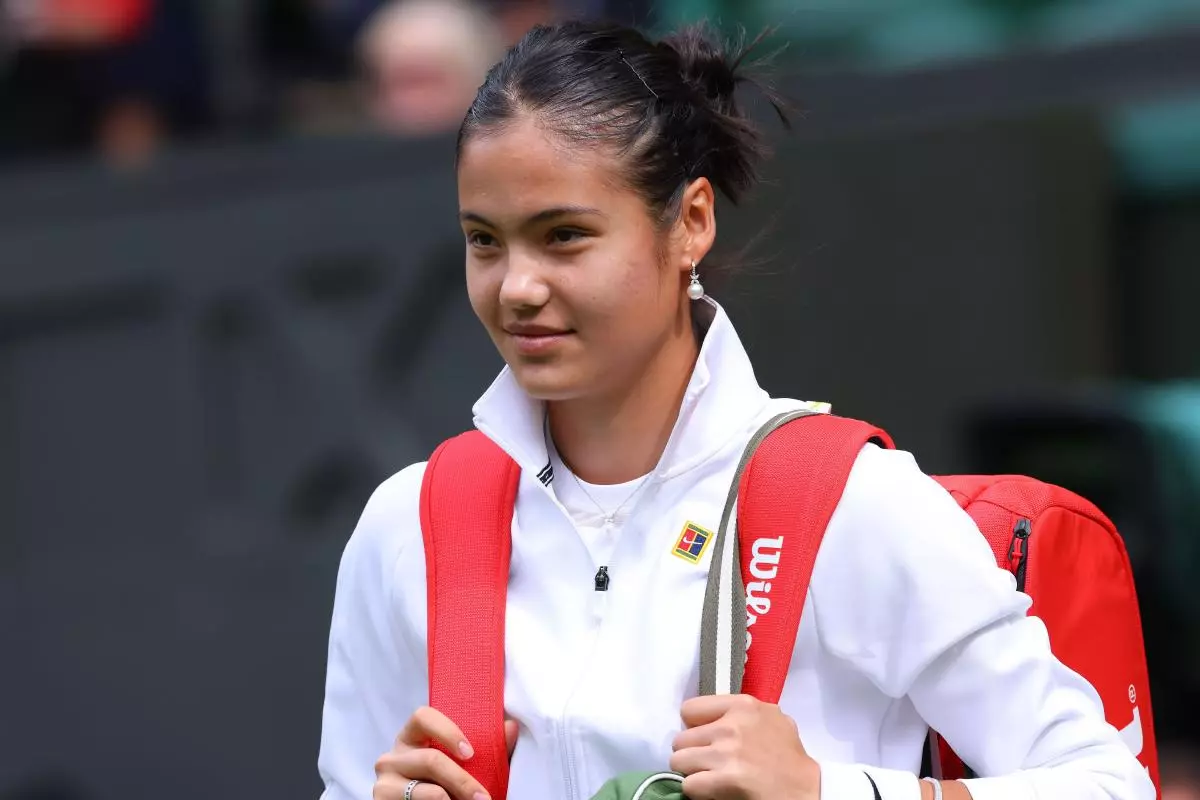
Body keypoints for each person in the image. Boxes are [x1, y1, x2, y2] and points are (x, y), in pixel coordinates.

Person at [316, 19, 1156, 800]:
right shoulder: (409, 525)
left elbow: (1108, 784)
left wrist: (829, 790)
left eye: (565, 235)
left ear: (690, 221)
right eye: (484, 241)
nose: (519, 288)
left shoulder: (849, 501)